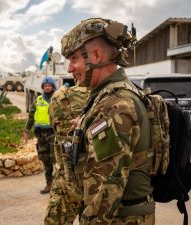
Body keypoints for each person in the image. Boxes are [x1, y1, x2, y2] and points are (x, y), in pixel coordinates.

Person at [61, 18, 154, 224]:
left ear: (96, 55)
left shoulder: (114, 103)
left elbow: (105, 189)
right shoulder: (110, 95)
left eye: (73, 59)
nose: (69, 68)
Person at [44, 76, 89, 223]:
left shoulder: (59, 96)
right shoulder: (101, 97)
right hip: (94, 175)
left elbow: (53, 125)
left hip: (66, 173)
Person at [23, 77, 56, 194]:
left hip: (53, 134)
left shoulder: (56, 100)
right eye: (45, 85)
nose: (47, 87)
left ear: (53, 87)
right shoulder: (38, 100)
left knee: (55, 159)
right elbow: (31, 116)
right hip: (41, 134)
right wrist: (26, 131)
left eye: (49, 85)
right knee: (45, 158)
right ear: (43, 87)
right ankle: (49, 183)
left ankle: (58, 185)